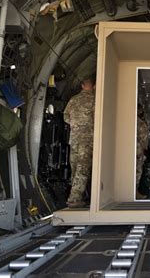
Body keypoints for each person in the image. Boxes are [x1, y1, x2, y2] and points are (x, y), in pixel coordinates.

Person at [64, 75, 96, 208]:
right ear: (94, 86)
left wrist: (75, 125)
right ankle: (74, 199)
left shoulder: (73, 99)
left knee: (75, 166)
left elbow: (66, 116)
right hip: (87, 140)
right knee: (83, 168)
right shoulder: (95, 100)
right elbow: (98, 119)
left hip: (74, 139)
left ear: (82, 86)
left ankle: (78, 194)